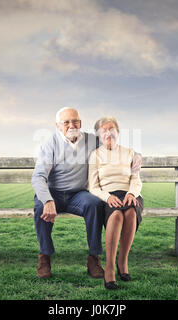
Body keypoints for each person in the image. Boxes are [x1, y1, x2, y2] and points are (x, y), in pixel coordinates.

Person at [31, 107, 142, 279]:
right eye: (66, 122)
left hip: (78, 194)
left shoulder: (92, 140)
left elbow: (113, 143)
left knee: (94, 204)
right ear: (58, 126)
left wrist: (137, 155)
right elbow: (38, 177)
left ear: (80, 123)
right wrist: (47, 200)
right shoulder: (50, 144)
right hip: (54, 193)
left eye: (75, 121)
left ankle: (93, 258)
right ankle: (44, 257)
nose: (71, 125)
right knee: (40, 208)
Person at [89, 117, 144, 290]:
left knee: (130, 212)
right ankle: (110, 268)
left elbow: (136, 179)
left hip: (129, 193)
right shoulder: (95, 155)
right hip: (108, 195)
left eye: (111, 129)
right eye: (103, 130)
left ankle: (123, 261)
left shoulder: (129, 153)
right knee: (117, 215)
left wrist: (131, 193)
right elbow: (93, 187)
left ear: (118, 132)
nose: (108, 133)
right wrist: (107, 197)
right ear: (99, 134)